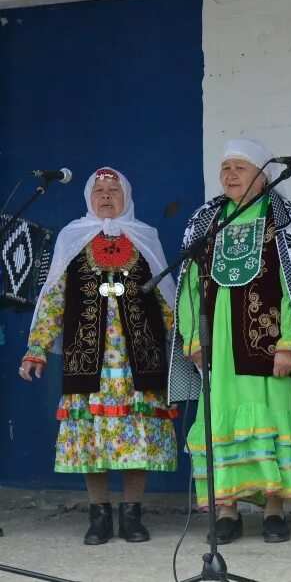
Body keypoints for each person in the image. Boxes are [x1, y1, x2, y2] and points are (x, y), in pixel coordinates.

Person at [168, 139, 291, 545]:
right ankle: (227, 510)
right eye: (225, 169)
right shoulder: (206, 219)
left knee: (270, 419)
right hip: (217, 343)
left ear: (264, 175)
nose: (230, 175)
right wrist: (192, 340)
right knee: (222, 420)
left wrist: (290, 340)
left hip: (269, 344)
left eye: (240, 167)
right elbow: (186, 285)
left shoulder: (285, 218)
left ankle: (274, 509)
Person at [21, 167, 178, 545]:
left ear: (126, 197)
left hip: (139, 356)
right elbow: (53, 297)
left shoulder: (145, 238)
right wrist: (36, 349)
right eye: (99, 190)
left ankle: (132, 515)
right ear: (89, 198)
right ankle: (99, 515)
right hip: (87, 356)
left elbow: (166, 298)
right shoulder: (72, 238)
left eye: (114, 190)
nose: (106, 196)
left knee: (137, 436)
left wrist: (186, 343)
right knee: (92, 438)